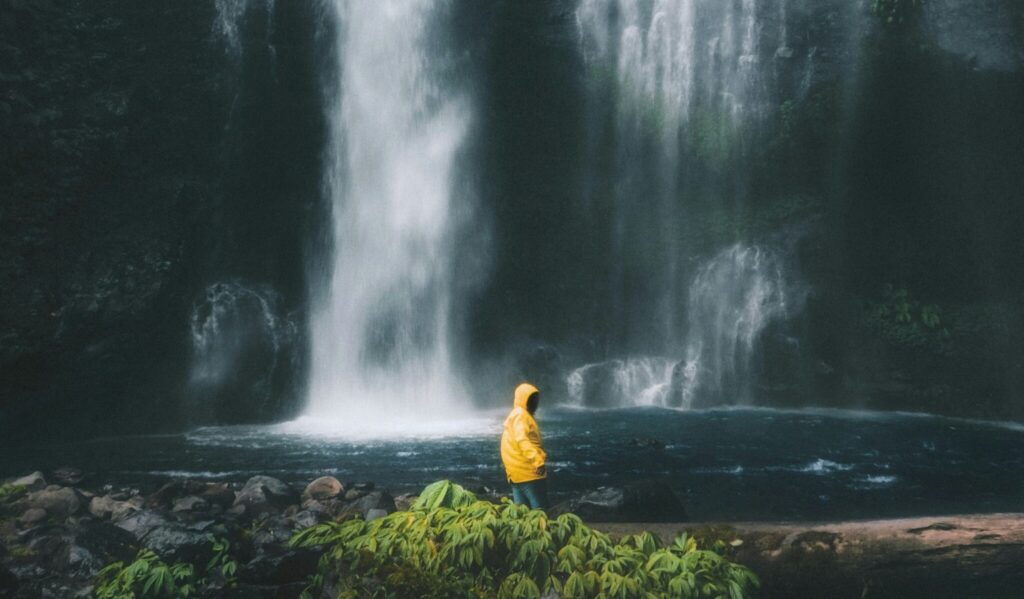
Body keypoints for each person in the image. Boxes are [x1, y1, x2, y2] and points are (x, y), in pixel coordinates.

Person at [500, 382, 548, 509]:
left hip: (516, 474)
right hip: (529, 472)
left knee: (521, 513)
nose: (535, 403)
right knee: (540, 513)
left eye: (535, 400)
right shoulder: (521, 415)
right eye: (532, 400)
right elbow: (522, 440)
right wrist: (537, 461)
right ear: (524, 400)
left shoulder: (515, 415)